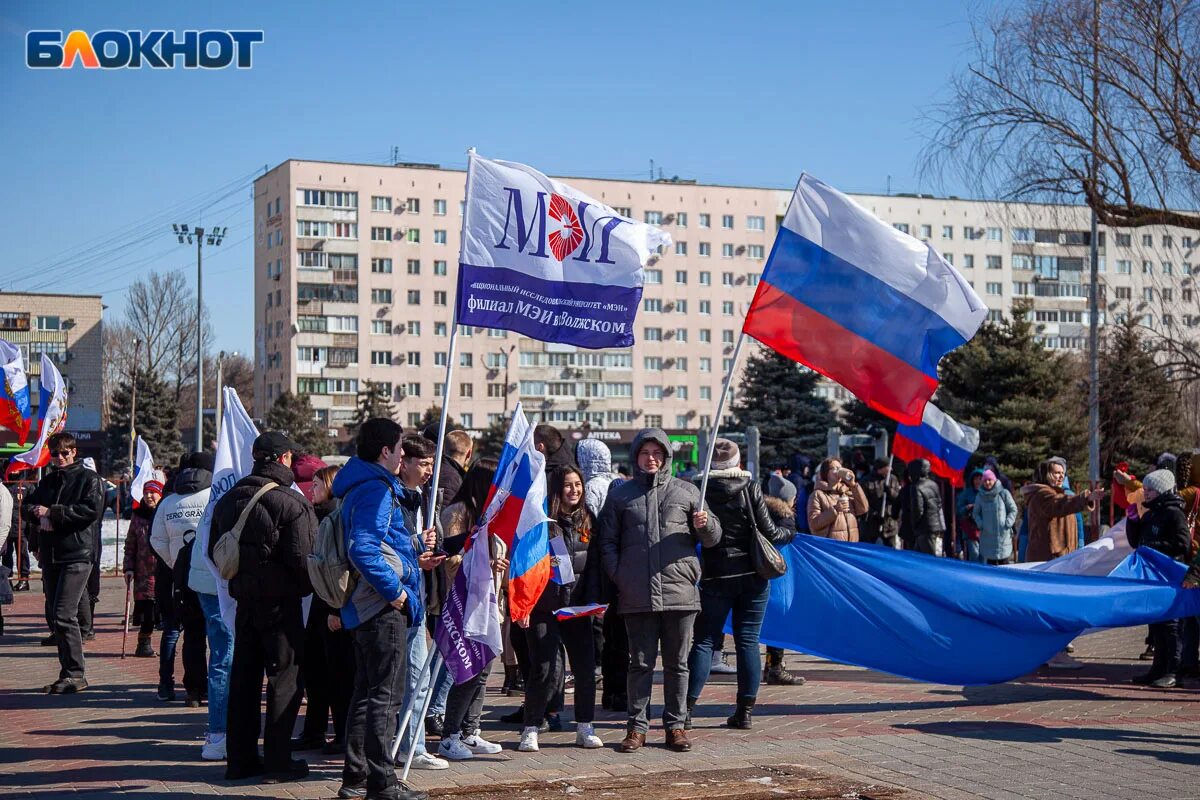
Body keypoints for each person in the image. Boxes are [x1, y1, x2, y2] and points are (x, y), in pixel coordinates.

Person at [596, 428, 721, 754]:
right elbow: (606, 541)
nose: (650, 459)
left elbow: (713, 538)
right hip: (637, 593)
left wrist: (705, 525)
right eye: (644, 453)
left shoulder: (688, 491)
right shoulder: (621, 495)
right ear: (636, 456)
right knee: (639, 665)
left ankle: (676, 726)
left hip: (680, 593)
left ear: (666, 457)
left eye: (657, 453)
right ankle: (636, 729)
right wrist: (619, 574)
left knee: (678, 665)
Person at [212, 431, 318, 783]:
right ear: (285, 458)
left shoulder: (229, 499)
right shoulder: (292, 501)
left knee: (243, 680)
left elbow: (215, 547)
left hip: (244, 602)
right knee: (284, 680)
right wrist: (303, 589)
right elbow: (304, 559)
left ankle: (239, 760)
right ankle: (278, 760)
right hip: (281, 605)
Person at [334, 419, 431, 800]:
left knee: (366, 693)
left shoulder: (361, 483)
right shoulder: (375, 488)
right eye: (400, 448)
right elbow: (363, 547)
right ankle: (382, 782)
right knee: (386, 697)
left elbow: (380, 539)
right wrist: (397, 593)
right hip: (380, 606)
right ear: (385, 451)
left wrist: (413, 545)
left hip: (366, 605)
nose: (404, 455)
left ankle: (356, 777)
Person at [686, 439, 793, 730]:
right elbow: (769, 531)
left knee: (705, 641)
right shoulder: (750, 487)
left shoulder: (700, 491)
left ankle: (686, 710)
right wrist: (790, 531)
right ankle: (744, 712)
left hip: (715, 575)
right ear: (738, 464)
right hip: (752, 576)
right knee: (748, 641)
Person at [516, 465, 603, 753]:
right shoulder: (542, 523)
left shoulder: (589, 520)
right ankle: (531, 727)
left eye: (578, 484)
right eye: (568, 485)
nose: (574, 490)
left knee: (585, 669)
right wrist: (524, 603)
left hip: (577, 609)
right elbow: (527, 565)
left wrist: (596, 602)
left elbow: (593, 567)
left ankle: (585, 726)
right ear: (556, 488)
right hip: (545, 607)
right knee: (544, 669)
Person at [21, 433, 104, 693]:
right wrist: (37, 513)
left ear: (74, 452)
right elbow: (28, 506)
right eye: (55, 453)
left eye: (64, 452)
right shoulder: (48, 481)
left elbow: (90, 511)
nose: (59, 458)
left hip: (77, 554)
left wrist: (53, 513)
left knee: (63, 613)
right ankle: (68, 672)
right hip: (52, 555)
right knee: (56, 617)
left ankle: (75, 674)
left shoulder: (89, 479)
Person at [436, 458, 507, 763]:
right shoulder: (458, 513)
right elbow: (450, 560)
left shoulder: (491, 516)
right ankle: (450, 735)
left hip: (489, 607)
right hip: (464, 607)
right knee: (466, 672)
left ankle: (470, 730)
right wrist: (485, 565)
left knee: (483, 671)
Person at [392, 435, 450, 771]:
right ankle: (408, 747)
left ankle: (409, 744)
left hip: (417, 592)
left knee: (419, 674)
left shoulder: (419, 497)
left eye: (432, 464)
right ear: (406, 462)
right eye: (424, 464)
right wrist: (415, 546)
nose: (429, 471)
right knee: (414, 675)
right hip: (398, 597)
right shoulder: (394, 497)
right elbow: (388, 547)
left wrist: (425, 557)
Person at [292, 464, 355, 755]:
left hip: (332, 602)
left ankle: (342, 734)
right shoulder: (316, 514)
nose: (311, 490)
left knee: (338, 673)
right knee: (315, 670)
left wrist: (336, 608)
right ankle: (314, 731)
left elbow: (337, 565)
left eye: (317, 484)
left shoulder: (335, 516)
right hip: (317, 604)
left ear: (331, 485)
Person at [1022, 458, 1102, 669]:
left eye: (1061, 472)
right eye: (1055, 472)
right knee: (1051, 609)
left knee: (1056, 609)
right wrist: (1085, 497)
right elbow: (1059, 506)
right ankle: (1052, 654)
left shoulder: (1058, 493)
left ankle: (1051, 653)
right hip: (1049, 560)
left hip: (1062, 560)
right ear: (1044, 474)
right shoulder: (1041, 494)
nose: (1059, 476)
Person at [176, 452, 230, 761]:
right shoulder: (227, 494)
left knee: (216, 653)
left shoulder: (202, 497)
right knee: (227, 657)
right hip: (223, 582)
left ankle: (218, 732)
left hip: (200, 579)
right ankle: (220, 733)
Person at [150, 457, 211, 705]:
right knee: (219, 634)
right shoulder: (214, 496)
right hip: (213, 577)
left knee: (192, 635)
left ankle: (194, 690)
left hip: (183, 579)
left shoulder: (169, 501)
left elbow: (156, 539)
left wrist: (176, 563)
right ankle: (215, 688)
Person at [1128, 469, 1192, 688]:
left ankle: (1173, 671)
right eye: (1145, 489)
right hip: (1153, 577)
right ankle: (1157, 669)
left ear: (1162, 490)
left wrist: (1154, 547)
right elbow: (1136, 542)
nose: (1145, 493)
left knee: (1171, 625)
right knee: (1157, 624)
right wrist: (1133, 521)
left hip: (1170, 578)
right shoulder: (1151, 513)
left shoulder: (1174, 513)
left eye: (1150, 490)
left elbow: (1183, 544)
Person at [761, 478, 804, 686]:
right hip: (778, 576)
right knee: (778, 619)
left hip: (761, 574)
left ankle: (771, 665)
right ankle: (775, 667)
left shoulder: (759, 510)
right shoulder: (784, 516)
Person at [807, 458, 869, 542]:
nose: (839, 471)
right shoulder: (817, 495)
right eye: (835, 468)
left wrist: (853, 485)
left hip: (851, 545)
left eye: (840, 468)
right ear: (826, 473)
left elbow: (863, 509)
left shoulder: (846, 491)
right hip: (831, 547)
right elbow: (814, 524)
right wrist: (835, 510)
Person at [972, 470, 1018, 565]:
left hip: (1003, 536)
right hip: (987, 536)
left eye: (989, 480)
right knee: (990, 565)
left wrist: (1008, 523)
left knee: (1004, 565)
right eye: (985, 481)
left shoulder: (1004, 493)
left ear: (995, 480)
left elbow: (1013, 509)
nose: (987, 482)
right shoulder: (980, 496)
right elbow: (976, 513)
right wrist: (981, 524)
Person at [901, 459, 946, 555]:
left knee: (928, 558)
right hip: (935, 525)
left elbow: (918, 510)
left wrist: (914, 525)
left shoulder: (916, 487)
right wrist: (941, 525)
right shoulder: (934, 484)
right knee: (918, 556)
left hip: (923, 527)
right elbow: (939, 505)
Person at [859, 459, 902, 548]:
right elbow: (861, 502)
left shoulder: (893, 479)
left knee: (891, 549)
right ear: (881, 468)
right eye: (888, 467)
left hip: (889, 523)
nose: (891, 469)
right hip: (870, 523)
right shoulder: (866, 481)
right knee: (868, 548)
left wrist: (890, 492)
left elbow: (898, 499)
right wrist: (872, 513)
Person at [956, 469, 985, 562]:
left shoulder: (988, 493)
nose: (978, 481)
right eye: (976, 479)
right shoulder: (966, 493)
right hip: (971, 529)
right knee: (974, 554)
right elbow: (959, 510)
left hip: (985, 529)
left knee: (984, 555)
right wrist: (967, 508)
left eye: (980, 479)